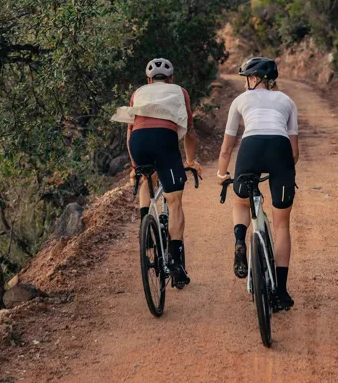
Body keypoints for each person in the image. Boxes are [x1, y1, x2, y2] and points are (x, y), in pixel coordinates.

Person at [216, 57, 299, 308]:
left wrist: (222, 175)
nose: (244, 85)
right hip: (280, 150)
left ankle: (240, 241)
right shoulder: (287, 101)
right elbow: (294, 152)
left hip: (250, 149)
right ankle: (281, 292)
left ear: (254, 79)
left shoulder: (240, 101)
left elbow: (226, 148)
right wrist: (283, 171)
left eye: (246, 79)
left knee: (241, 202)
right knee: (281, 224)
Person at [111, 58, 202, 288]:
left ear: (149, 80)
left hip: (139, 142)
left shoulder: (138, 93)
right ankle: (175, 262)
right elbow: (190, 133)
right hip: (165, 141)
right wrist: (190, 161)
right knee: (174, 202)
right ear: (171, 79)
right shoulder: (180, 91)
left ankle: (146, 228)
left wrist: (134, 167)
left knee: (146, 178)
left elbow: (130, 133)